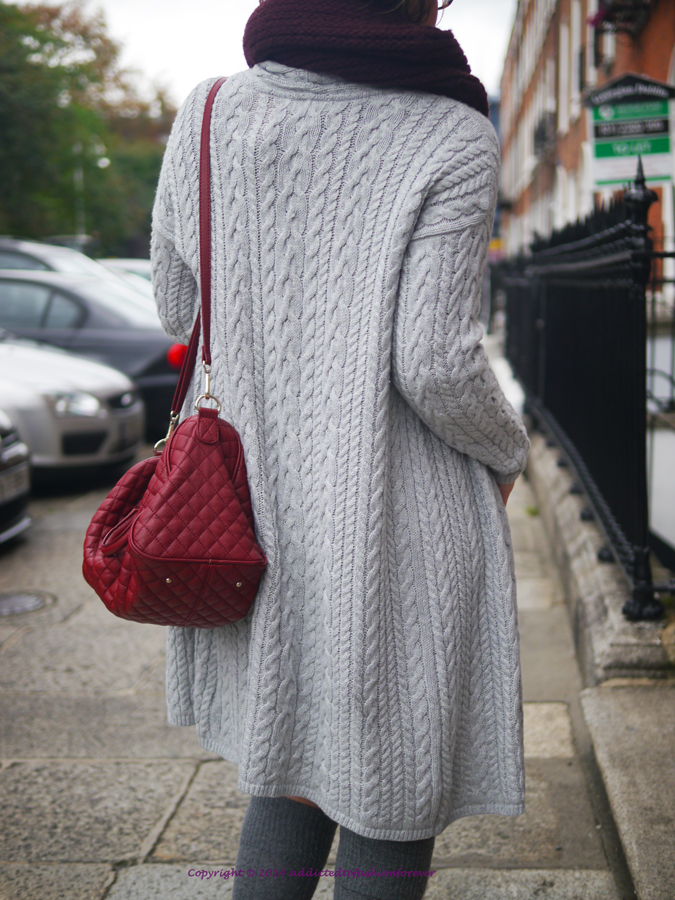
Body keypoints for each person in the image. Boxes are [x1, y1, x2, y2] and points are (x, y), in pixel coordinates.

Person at [151, 0, 531, 896]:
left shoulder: (210, 110)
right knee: (391, 786)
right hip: (396, 516)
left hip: (254, 508)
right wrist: (507, 448)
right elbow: (434, 363)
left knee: (288, 767)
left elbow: (177, 306)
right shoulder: (452, 132)